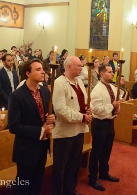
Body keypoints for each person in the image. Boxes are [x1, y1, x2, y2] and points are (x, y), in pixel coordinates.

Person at [8, 59, 55, 195]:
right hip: (26, 148)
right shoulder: (17, 96)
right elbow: (14, 126)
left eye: (42, 69)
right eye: (38, 69)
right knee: (23, 184)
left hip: (42, 145)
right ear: (27, 73)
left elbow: (52, 113)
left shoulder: (45, 92)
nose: (42, 72)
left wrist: (52, 118)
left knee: (37, 181)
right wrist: (41, 130)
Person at [52, 56, 92, 195]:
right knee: (60, 167)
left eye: (81, 66)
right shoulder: (59, 83)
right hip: (64, 133)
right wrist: (82, 116)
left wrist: (87, 109)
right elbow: (60, 110)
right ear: (69, 67)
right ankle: (57, 191)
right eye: (79, 66)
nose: (82, 68)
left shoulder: (79, 81)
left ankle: (70, 190)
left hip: (79, 130)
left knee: (74, 164)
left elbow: (83, 101)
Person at [88, 63, 120, 191]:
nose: (112, 73)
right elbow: (96, 110)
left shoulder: (113, 87)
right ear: (102, 74)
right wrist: (112, 106)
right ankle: (92, 178)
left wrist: (117, 109)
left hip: (110, 122)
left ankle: (104, 172)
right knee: (97, 151)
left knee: (107, 149)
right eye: (109, 72)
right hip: (99, 123)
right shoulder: (97, 90)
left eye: (112, 71)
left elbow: (117, 102)